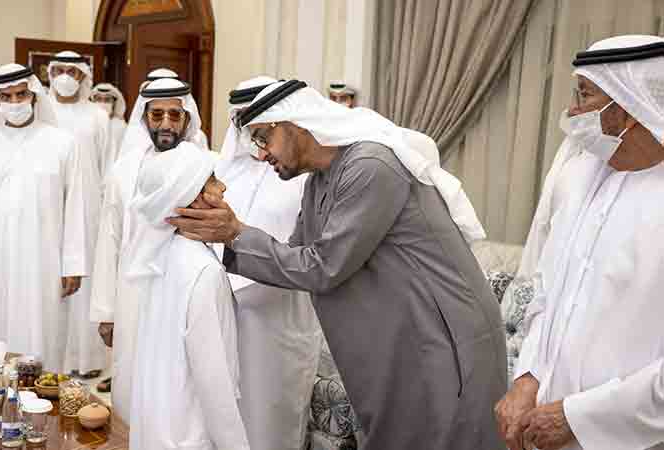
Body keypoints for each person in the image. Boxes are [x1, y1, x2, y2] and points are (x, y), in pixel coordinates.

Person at [169, 80, 507, 449]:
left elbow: (323, 267)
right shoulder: (318, 183)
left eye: (264, 138)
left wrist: (234, 234)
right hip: (399, 345)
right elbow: (295, 257)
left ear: (294, 124)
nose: (262, 155)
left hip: (441, 344)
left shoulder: (371, 166)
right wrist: (230, 238)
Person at [495, 34, 664, 450]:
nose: (572, 110)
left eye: (584, 95)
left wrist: (580, 417)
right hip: (544, 428)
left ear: (629, 109)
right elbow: (546, 294)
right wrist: (527, 377)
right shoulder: (579, 173)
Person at [0, 64, 87, 372]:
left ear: (34, 95)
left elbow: (74, 207)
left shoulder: (62, 143)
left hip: (44, 262)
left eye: (21, 94)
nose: (15, 102)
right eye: (6, 96)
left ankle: (43, 406)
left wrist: (73, 264)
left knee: (43, 339)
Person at [213, 76, 322, 450]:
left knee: (271, 424)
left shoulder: (303, 174)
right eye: (241, 120)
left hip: (280, 322)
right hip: (222, 314)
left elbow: (313, 257)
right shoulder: (223, 173)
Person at [90, 77, 206, 424]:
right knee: (133, 377)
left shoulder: (204, 166)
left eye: (175, 114)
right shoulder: (123, 171)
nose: (166, 123)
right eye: (157, 115)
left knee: (177, 383)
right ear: (144, 119)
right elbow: (108, 240)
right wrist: (105, 311)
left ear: (187, 119)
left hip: (183, 293)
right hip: (132, 296)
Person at [127, 143, 249, 450]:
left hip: (156, 429)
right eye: (211, 180)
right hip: (189, 436)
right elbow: (214, 381)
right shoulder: (203, 271)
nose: (222, 187)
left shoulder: (156, 257)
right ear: (191, 196)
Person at [47, 50, 109, 377]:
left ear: (84, 76)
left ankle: (85, 359)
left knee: (83, 280)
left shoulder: (97, 116)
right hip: (49, 205)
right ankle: (51, 356)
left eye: (74, 70)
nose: (66, 76)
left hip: (88, 209)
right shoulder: (42, 112)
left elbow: (106, 165)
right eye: (60, 69)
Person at [91, 83, 128, 178]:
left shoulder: (120, 127)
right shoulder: (87, 124)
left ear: (114, 103)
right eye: (98, 99)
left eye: (107, 100)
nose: (102, 103)